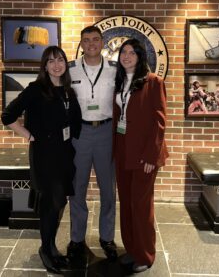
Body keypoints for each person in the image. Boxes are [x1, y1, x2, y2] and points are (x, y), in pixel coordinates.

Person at [1, 46, 82, 274]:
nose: (56, 64)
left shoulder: (68, 91)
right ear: (45, 66)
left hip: (65, 155)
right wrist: (29, 135)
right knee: (50, 204)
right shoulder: (36, 90)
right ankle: (46, 250)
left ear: (65, 64)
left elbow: (72, 123)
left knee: (60, 203)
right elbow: (7, 116)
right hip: (45, 156)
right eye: (51, 61)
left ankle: (51, 246)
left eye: (60, 60)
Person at [113, 39, 169, 273]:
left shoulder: (154, 82)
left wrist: (150, 156)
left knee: (141, 204)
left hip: (144, 153)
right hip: (123, 149)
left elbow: (159, 122)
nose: (126, 56)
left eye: (131, 53)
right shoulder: (118, 81)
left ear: (140, 56)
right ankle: (132, 249)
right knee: (126, 203)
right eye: (123, 52)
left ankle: (146, 254)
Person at [67, 25, 118, 261]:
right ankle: (77, 239)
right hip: (81, 135)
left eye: (96, 40)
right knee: (77, 189)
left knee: (108, 189)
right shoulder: (70, 69)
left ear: (103, 43)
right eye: (86, 40)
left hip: (106, 132)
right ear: (81, 43)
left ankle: (107, 237)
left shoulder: (115, 70)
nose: (91, 44)